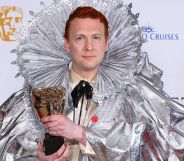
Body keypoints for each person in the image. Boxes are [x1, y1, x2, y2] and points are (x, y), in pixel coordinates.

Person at [1, 0, 184, 161]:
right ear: (67, 44)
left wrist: (81, 134)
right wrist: (41, 158)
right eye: (80, 38)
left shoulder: (134, 94)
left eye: (96, 38)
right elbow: (13, 152)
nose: (89, 47)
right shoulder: (34, 98)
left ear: (106, 43)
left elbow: (142, 148)